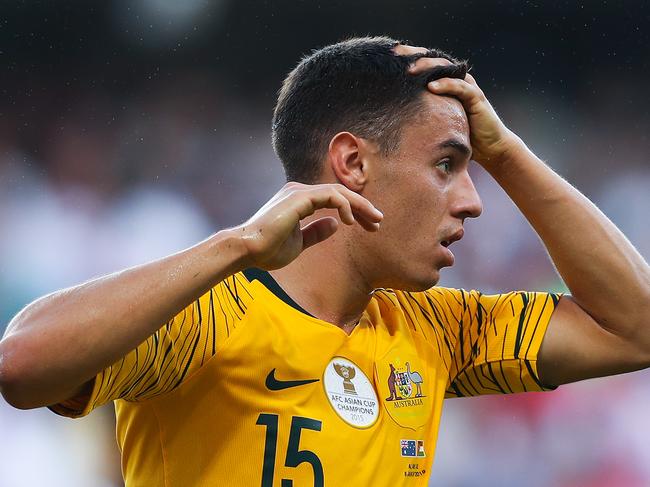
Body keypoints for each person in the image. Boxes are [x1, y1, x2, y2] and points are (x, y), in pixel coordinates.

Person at [0, 36, 648, 486]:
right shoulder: (208, 315)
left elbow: (634, 327)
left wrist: (505, 150)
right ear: (353, 163)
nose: (474, 203)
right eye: (448, 164)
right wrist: (238, 244)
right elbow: (22, 365)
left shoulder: (435, 329)